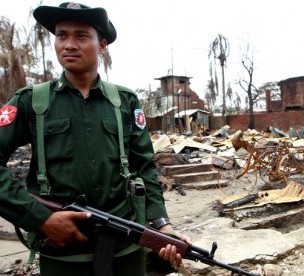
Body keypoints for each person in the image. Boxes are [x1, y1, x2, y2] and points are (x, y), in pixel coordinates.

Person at [0, 2, 191, 275]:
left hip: (125, 250)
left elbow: (144, 167)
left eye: (81, 36)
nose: (68, 44)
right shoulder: (32, 101)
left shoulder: (124, 101)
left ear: (101, 45)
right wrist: (40, 219)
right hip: (62, 257)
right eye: (62, 35)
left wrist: (163, 227)